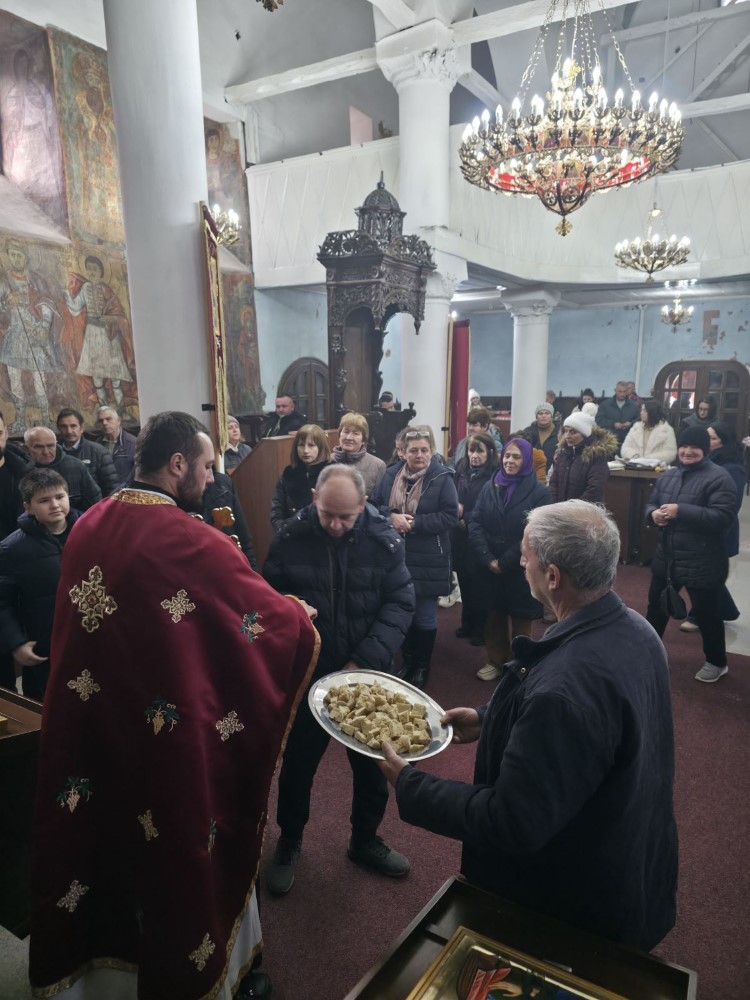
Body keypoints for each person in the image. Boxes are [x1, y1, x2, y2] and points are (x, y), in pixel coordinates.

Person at [29, 411, 320, 1000]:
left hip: (98, 726)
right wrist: (297, 615)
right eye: (207, 466)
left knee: (105, 842)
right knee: (182, 841)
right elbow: (258, 619)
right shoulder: (191, 540)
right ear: (178, 463)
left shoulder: (89, 523)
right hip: (165, 736)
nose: (212, 478)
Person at [379, 500, 678, 953]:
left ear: (552, 576)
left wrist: (411, 784)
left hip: (570, 903)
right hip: (629, 854)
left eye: (526, 556)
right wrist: (489, 717)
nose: (521, 563)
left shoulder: (563, 692)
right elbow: (591, 735)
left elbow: (512, 821)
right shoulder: (638, 630)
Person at [263, 464, 414, 894]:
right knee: (298, 766)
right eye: (327, 513)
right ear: (314, 498)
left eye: (345, 517)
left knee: (372, 767)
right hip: (309, 671)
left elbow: (400, 603)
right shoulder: (290, 537)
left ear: (363, 505)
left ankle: (364, 840)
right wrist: (290, 610)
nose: (334, 524)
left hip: (366, 672)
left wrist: (361, 662)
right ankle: (290, 840)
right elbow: (267, 599)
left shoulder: (384, 539)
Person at [645, 426, 737, 683]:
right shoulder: (669, 475)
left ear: (705, 450)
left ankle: (717, 662)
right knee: (656, 608)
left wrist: (681, 511)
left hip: (703, 559)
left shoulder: (720, 478)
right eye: (684, 447)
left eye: (694, 447)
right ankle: (647, 654)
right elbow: (652, 503)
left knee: (707, 613)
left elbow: (722, 517)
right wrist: (653, 515)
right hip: (668, 556)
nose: (687, 452)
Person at [371, 426, 458, 689]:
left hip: (429, 557)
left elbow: (450, 516)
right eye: (413, 450)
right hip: (394, 554)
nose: (419, 455)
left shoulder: (442, 477)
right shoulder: (390, 474)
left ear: (432, 451)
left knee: (424, 615)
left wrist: (414, 523)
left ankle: (421, 666)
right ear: (403, 452)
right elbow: (374, 505)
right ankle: (407, 662)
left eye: (424, 450)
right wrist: (391, 516)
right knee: (401, 612)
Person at [468, 438, 550, 681]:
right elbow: (475, 522)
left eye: (516, 457)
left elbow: (534, 532)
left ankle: (520, 666)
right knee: (493, 617)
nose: (510, 461)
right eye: (506, 456)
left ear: (526, 460)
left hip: (520, 565)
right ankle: (495, 660)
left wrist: (504, 562)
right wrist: (487, 558)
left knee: (521, 620)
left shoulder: (540, 492)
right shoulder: (490, 485)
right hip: (489, 562)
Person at [0, 469, 79, 700]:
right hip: (44, 642)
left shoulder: (90, 531)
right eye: (44, 500)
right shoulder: (12, 548)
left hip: (88, 636)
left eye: (60, 497)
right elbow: (2, 602)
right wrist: (16, 642)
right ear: (28, 507)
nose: (55, 505)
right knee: (47, 703)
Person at [680, 422, 745, 633]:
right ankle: (726, 609)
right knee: (702, 572)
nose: (706, 441)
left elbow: (730, 505)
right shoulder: (702, 461)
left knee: (704, 574)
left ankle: (699, 615)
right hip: (696, 524)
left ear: (723, 442)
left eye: (712, 438)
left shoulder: (732, 467)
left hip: (718, 529)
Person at [0, 238, 64, 431]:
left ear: (26, 258)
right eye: (12, 255)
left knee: (39, 378)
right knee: (14, 377)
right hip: (15, 333)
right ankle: (20, 419)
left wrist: (44, 328)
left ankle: (46, 418)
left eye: (19, 255)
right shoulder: (4, 281)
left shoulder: (35, 280)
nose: (15, 259)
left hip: (36, 332)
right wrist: (5, 304)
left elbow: (46, 303)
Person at [62, 255, 134, 410]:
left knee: (115, 377)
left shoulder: (106, 289)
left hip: (108, 336)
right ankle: (103, 410)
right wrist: (67, 294)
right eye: (89, 269)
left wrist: (110, 318)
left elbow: (119, 315)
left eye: (94, 269)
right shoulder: (85, 288)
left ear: (101, 272)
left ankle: (120, 411)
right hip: (92, 335)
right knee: (97, 377)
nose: (91, 272)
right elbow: (76, 307)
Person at [451, 433, 499, 646]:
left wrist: (467, 518)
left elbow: (491, 508)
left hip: (481, 536)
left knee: (480, 585)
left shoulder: (494, 475)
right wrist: (455, 511)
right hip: (460, 536)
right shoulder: (460, 470)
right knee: (464, 581)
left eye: (480, 451)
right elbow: (452, 496)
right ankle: (467, 623)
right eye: (471, 450)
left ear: (490, 452)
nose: (474, 455)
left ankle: (481, 628)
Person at [270, 423, 332, 532]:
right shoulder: (288, 474)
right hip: (291, 535)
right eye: (301, 445)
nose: (306, 450)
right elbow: (276, 512)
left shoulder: (332, 474)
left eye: (311, 445)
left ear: (321, 447)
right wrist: (286, 530)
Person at [24, 426, 101, 511]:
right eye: (39, 447)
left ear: (56, 444)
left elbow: (95, 499)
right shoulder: (21, 470)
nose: (46, 452)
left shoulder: (75, 465)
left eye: (50, 446)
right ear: (26, 448)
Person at [548, 412, 617, 504]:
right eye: (566, 431)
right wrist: (554, 506)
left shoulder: (596, 456)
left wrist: (571, 508)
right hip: (560, 510)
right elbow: (553, 484)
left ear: (585, 434)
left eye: (573, 432)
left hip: (585, 511)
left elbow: (594, 490)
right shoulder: (564, 453)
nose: (567, 436)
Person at [202, 468, 257, 569]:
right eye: (206, 467)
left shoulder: (223, 484)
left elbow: (245, 543)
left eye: (209, 466)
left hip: (233, 568)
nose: (211, 479)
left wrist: (253, 574)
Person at [57, 407, 119, 495]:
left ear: (82, 428)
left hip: (94, 503)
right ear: (59, 428)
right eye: (64, 427)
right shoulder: (53, 453)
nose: (69, 431)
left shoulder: (99, 451)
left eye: (73, 426)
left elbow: (111, 488)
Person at [332, 412, 386, 496]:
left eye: (355, 433)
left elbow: (378, 500)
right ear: (339, 435)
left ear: (363, 440)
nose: (349, 438)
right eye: (346, 432)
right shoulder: (327, 460)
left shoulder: (378, 466)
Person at [620, 401, 677, 465]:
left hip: (656, 468)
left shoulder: (666, 430)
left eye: (645, 411)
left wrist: (648, 459)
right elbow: (625, 448)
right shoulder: (636, 428)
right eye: (641, 410)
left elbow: (670, 453)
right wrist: (635, 456)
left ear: (652, 412)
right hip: (634, 466)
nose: (641, 413)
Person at [97, 404, 137, 482]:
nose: (104, 423)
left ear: (118, 420)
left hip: (126, 487)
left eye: (108, 419)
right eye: (101, 421)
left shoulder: (133, 443)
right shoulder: (97, 445)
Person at [596, 381, 641, 446]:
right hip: (609, 442)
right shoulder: (605, 405)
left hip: (628, 441)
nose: (622, 394)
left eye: (624, 391)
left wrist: (630, 423)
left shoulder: (633, 405)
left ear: (627, 391)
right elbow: (599, 420)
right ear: (615, 390)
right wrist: (613, 424)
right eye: (620, 391)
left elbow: (639, 419)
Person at [522, 403, 558, 472]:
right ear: (536, 416)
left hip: (554, 471)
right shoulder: (527, 432)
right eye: (540, 413)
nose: (543, 416)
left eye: (547, 413)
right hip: (531, 471)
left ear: (551, 416)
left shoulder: (559, 432)